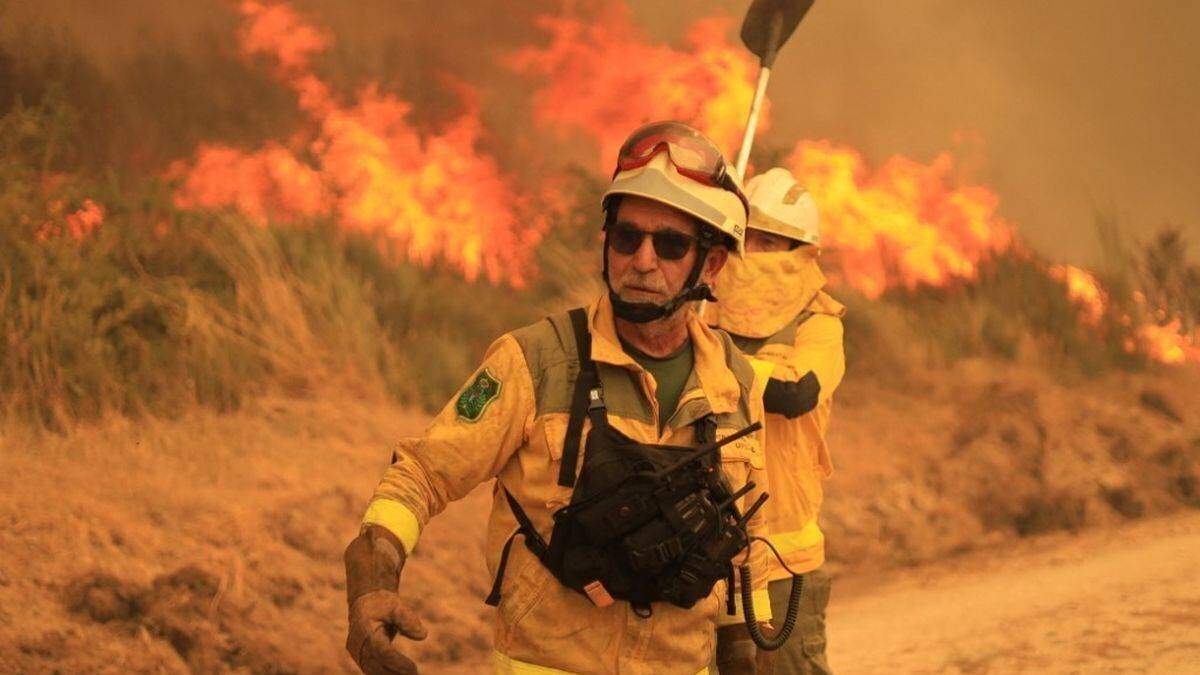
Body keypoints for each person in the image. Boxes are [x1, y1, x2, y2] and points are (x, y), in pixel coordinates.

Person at [344, 121, 778, 675]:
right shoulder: (536, 361)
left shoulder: (735, 384)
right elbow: (421, 475)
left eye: (669, 245)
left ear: (710, 264)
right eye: (627, 237)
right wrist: (371, 584)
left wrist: (744, 654)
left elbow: (745, 544)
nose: (642, 260)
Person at [709, 168, 846, 675]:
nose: (756, 254)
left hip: (784, 559)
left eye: (769, 242)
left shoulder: (820, 327)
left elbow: (795, 393)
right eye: (749, 240)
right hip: (707, 558)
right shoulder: (703, 315)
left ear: (799, 251)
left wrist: (712, 357)